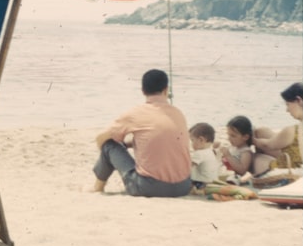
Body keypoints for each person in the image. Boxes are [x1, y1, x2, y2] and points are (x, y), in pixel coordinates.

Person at [89, 69, 192, 197]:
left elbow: (101, 138)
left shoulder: (136, 113)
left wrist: (107, 154)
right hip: (184, 186)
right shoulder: (178, 113)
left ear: (143, 91)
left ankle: (97, 187)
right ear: (166, 90)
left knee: (108, 145)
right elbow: (160, 139)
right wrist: (131, 144)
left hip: (148, 188)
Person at [250, 82, 303, 176]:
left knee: (256, 157)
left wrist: (252, 140)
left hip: (293, 171)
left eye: (288, 104)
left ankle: (258, 178)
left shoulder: (292, 130)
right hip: (298, 158)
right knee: (261, 131)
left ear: (299, 100)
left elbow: (268, 145)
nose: (287, 110)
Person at [188, 122, 221, 192]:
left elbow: (188, 167)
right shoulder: (210, 151)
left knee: (185, 178)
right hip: (212, 182)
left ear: (201, 140)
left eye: (192, 140)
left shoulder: (199, 153)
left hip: (201, 184)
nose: (191, 144)